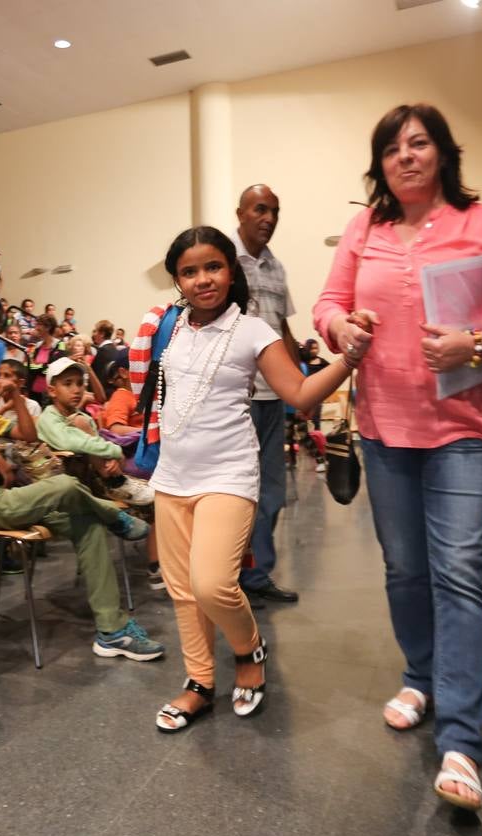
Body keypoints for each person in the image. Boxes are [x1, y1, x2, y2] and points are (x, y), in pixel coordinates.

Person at [313, 103, 482, 811]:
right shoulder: (366, 228)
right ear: (379, 164)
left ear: (443, 152)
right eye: (391, 148)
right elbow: (328, 303)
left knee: (459, 571)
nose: (404, 157)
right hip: (385, 428)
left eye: (418, 144)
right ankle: (419, 675)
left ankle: (461, 739)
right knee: (404, 569)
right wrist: (341, 327)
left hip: (462, 428)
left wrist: (474, 346)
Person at [137, 226, 358, 736]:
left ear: (231, 271)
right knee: (183, 593)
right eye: (189, 272)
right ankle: (198, 682)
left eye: (212, 267)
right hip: (173, 476)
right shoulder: (170, 327)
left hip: (228, 475)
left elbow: (300, 394)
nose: (202, 280)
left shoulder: (253, 330)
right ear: (177, 280)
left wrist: (349, 360)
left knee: (212, 584)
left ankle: (248, 648)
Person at [0, 339, 162, 660]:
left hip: (3, 499)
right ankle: (113, 514)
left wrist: (16, 397)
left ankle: (112, 631)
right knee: (64, 484)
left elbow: (28, 435)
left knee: (87, 527)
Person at [227, 184, 303, 607]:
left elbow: (284, 329)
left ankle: (255, 575)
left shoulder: (277, 269)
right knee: (238, 494)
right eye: (260, 209)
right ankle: (230, 577)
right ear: (240, 213)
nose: (268, 218)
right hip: (235, 398)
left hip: (272, 398)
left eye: (275, 211)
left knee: (272, 492)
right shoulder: (224, 260)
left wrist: (299, 387)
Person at [38, 357, 154, 506]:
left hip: (90, 474)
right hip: (60, 480)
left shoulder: (82, 415)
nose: (76, 390)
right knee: (81, 422)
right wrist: (113, 451)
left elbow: (95, 443)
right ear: (52, 391)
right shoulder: (48, 417)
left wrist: (111, 459)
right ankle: (115, 483)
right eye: (68, 384)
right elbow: (70, 441)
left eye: (80, 383)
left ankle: (115, 481)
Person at [25, 314, 64, 403]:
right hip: (33, 391)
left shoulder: (60, 345)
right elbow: (30, 367)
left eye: (39, 324)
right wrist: (40, 366)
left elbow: (52, 369)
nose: (35, 327)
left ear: (48, 327)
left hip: (49, 393)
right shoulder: (37, 345)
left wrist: (37, 366)